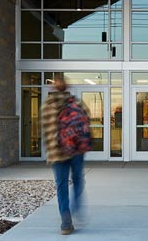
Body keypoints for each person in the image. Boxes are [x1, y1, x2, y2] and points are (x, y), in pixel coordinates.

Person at [40, 76, 91, 235]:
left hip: (57, 152)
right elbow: (86, 122)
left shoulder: (47, 106)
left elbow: (44, 131)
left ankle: (66, 222)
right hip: (76, 150)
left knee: (61, 186)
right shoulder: (77, 103)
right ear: (67, 87)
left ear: (54, 88)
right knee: (77, 180)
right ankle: (76, 208)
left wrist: (50, 150)